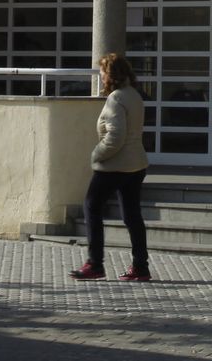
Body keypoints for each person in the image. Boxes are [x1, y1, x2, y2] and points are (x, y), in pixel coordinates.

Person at [70, 53, 152, 281]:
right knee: (132, 216)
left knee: (91, 207)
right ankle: (141, 267)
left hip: (114, 165)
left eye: (104, 72)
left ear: (112, 74)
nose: (102, 76)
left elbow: (115, 136)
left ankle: (95, 264)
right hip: (136, 165)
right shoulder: (134, 95)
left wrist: (97, 154)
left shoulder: (116, 99)